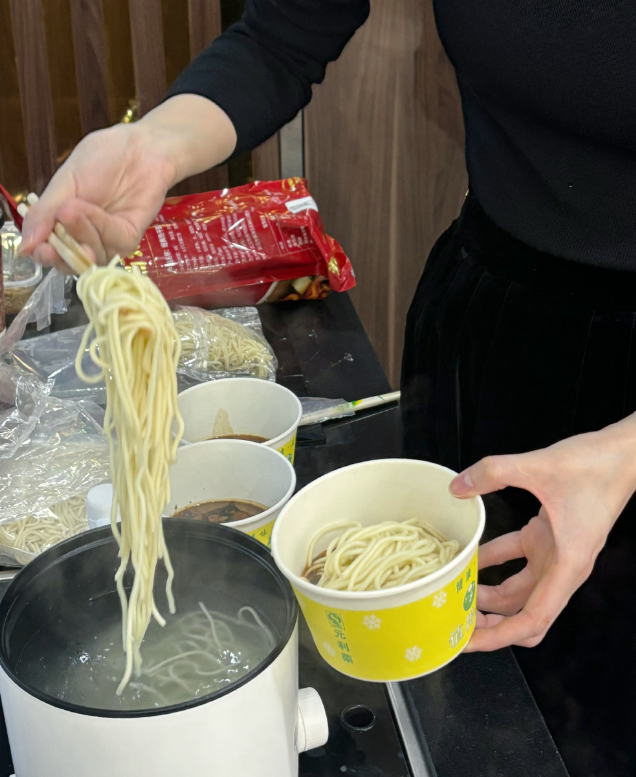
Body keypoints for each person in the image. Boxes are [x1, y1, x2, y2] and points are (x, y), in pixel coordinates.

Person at [21, 2, 636, 774]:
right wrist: (154, 144)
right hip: (490, 325)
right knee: (461, 688)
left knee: (603, 724)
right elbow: (285, 32)